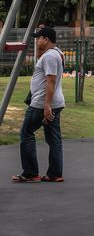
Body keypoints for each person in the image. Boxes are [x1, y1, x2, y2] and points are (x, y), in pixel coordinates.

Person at [12, 26, 66, 183]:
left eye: (39, 38)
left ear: (46, 39)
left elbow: (51, 80)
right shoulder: (56, 53)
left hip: (41, 104)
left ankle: (30, 173)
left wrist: (46, 105)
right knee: (53, 138)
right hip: (55, 102)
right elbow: (42, 63)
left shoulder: (49, 57)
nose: (36, 41)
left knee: (26, 133)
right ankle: (55, 174)